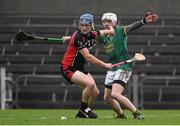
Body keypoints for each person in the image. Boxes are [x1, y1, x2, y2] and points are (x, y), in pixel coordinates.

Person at [96, 12, 158, 119]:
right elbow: (90, 39)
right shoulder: (103, 35)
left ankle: (136, 113)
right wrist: (72, 39)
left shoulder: (120, 31)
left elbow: (133, 26)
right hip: (113, 68)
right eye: (104, 21)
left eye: (109, 21)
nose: (106, 23)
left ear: (114, 22)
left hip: (123, 67)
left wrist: (143, 21)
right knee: (107, 98)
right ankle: (121, 115)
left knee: (115, 94)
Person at [60, 13, 114, 118]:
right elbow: (88, 57)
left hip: (79, 68)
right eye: (82, 25)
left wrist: (111, 30)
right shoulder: (78, 37)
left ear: (92, 25)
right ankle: (84, 109)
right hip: (68, 68)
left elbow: (104, 32)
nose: (84, 28)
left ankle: (82, 112)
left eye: (87, 25)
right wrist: (105, 65)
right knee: (90, 84)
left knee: (95, 92)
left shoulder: (92, 34)